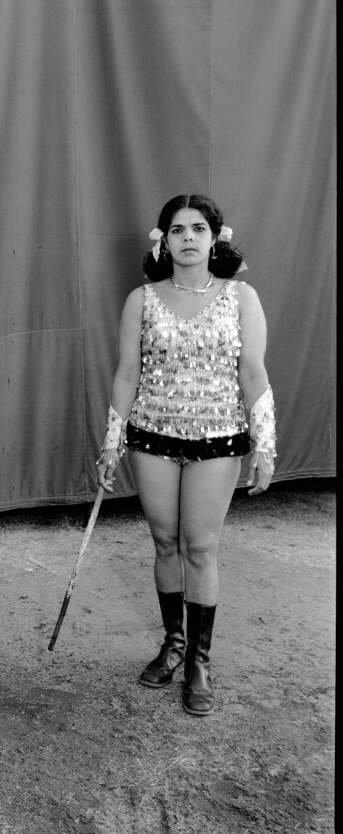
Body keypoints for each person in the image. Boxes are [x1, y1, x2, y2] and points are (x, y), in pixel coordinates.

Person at [96, 194, 276, 716]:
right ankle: (173, 643)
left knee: (201, 547)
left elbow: (253, 375)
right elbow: (127, 375)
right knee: (164, 541)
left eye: (199, 228)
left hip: (218, 438)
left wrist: (264, 444)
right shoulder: (142, 299)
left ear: (215, 237)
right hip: (152, 434)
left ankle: (200, 658)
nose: (189, 238)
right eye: (177, 230)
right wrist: (112, 442)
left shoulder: (242, 297)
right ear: (164, 240)